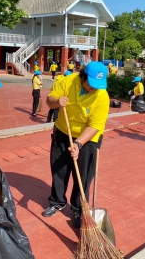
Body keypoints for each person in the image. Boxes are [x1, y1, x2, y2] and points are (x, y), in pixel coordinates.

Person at [42, 61, 110, 229]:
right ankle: (57, 201)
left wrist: (78, 145)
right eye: (91, 84)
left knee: (84, 175)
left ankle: (79, 208)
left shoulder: (102, 96)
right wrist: (57, 102)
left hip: (88, 137)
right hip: (63, 130)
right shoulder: (68, 81)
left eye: (98, 85)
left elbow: (94, 126)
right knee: (59, 169)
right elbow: (49, 101)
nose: (94, 88)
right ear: (83, 76)